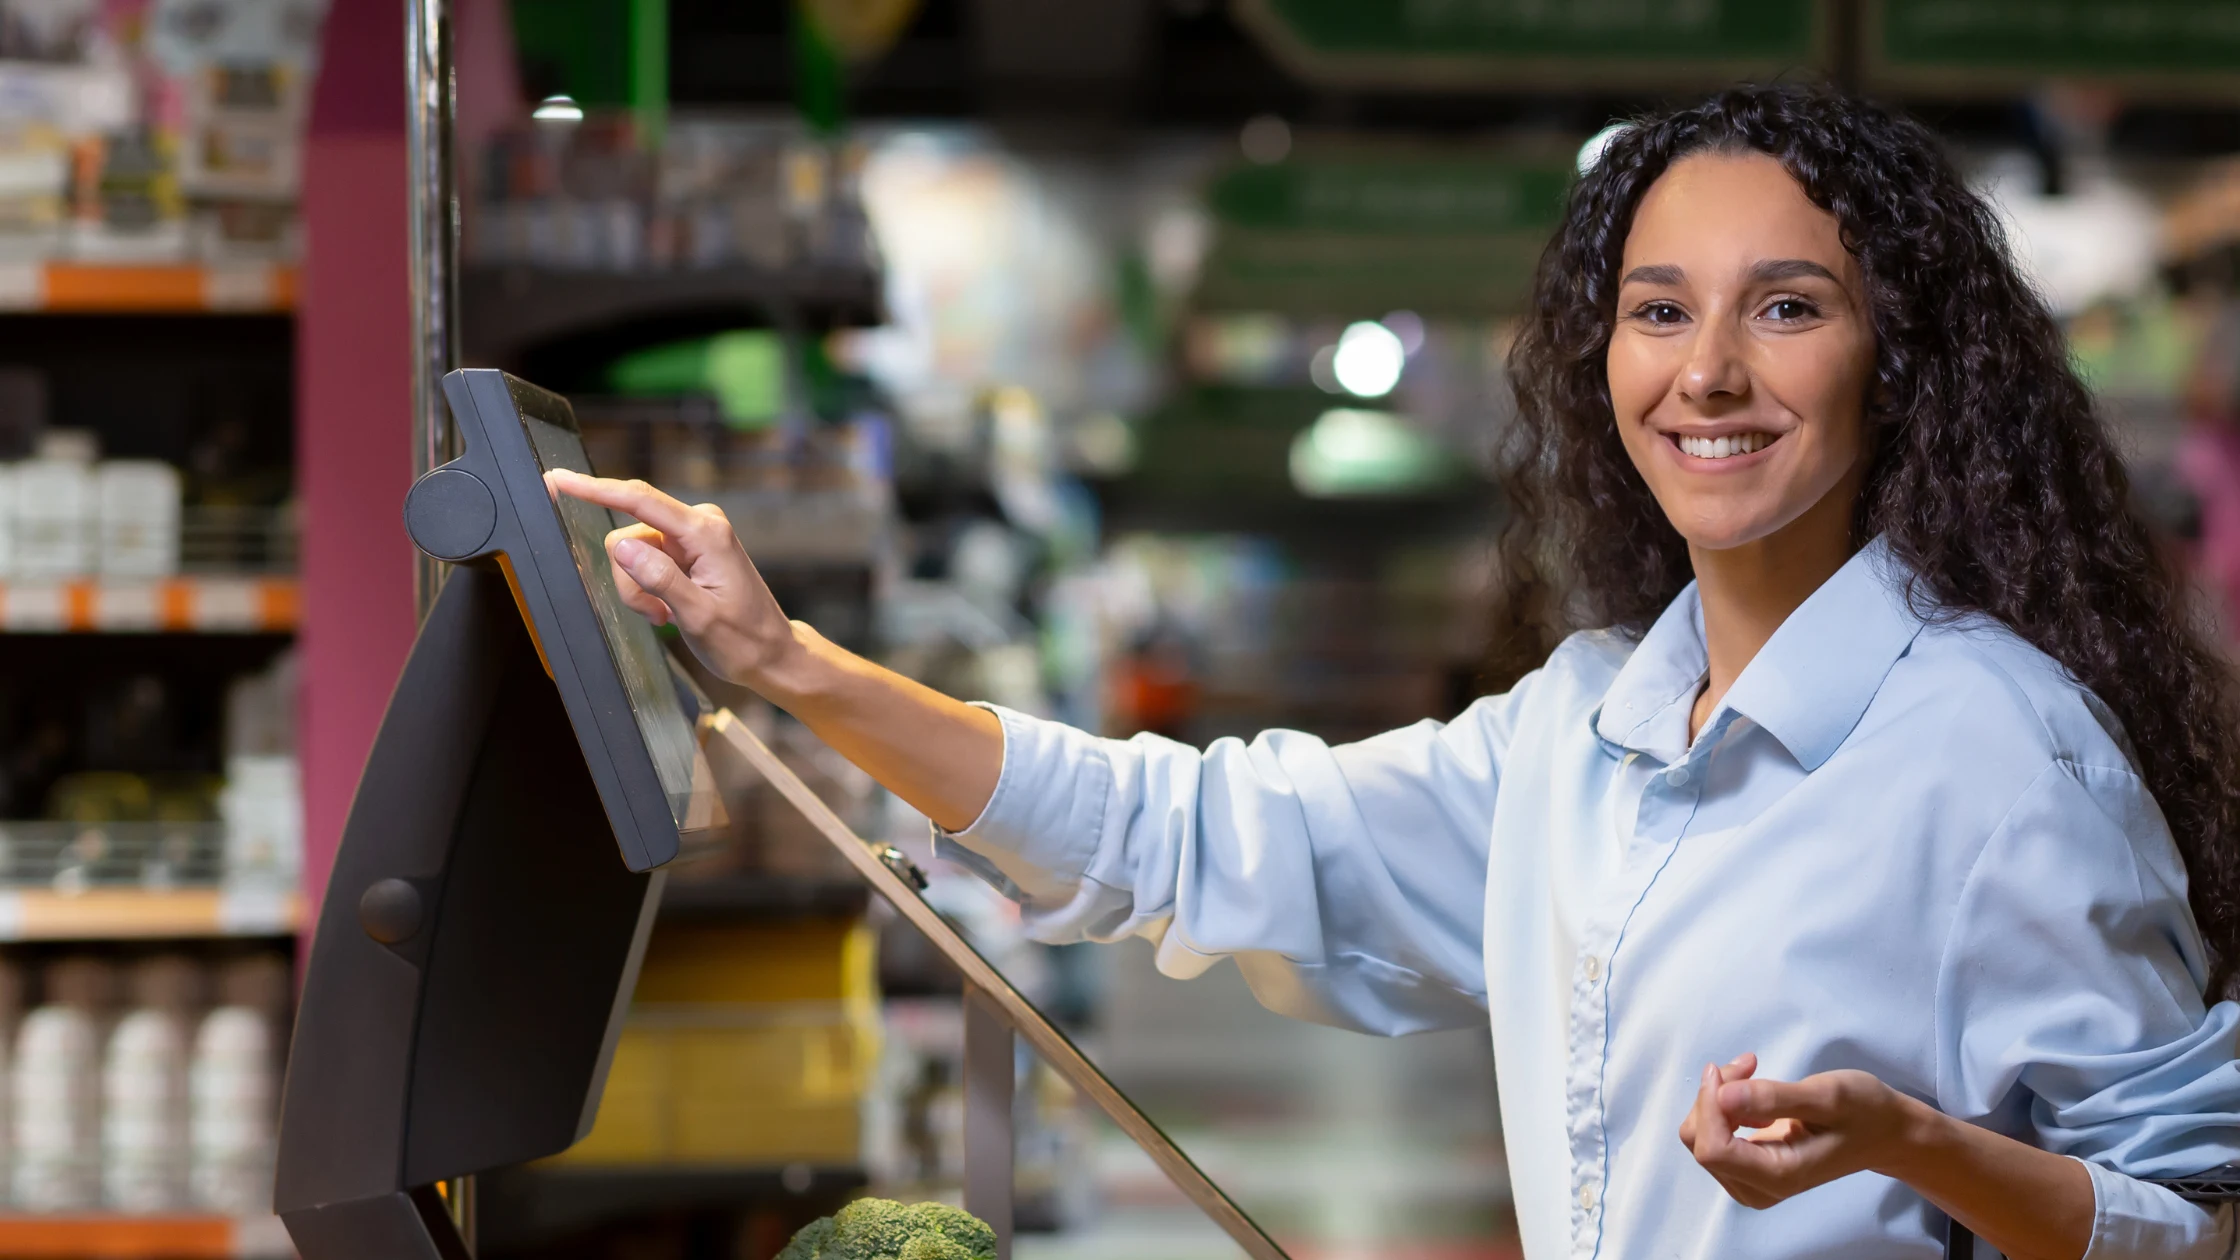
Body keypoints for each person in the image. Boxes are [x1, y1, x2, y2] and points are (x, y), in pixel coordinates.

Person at [551, 85, 2240, 1259]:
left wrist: (1914, 1144)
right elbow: (1185, 831)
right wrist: (787, 663)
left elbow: (2185, 1225)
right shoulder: (1584, 734)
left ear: (1902, 362)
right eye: (1659, 311)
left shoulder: (2002, 751)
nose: (1708, 370)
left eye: (1787, 308)